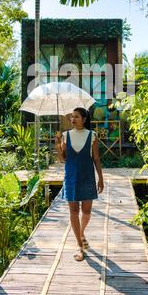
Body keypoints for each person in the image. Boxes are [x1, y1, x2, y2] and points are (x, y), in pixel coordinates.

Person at [55, 107, 104, 261]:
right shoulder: (65, 136)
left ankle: (81, 233)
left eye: (76, 116)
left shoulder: (92, 136)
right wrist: (58, 146)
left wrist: (100, 178)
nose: (73, 119)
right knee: (74, 212)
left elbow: (96, 159)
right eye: (71, 117)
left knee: (87, 212)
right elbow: (63, 159)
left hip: (87, 177)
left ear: (84, 119)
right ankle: (80, 246)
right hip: (70, 178)